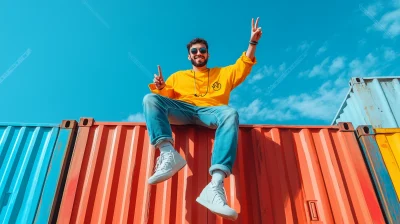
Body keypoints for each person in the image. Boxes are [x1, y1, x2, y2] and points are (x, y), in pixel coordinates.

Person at [143, 17, 262, 221]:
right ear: (189, 56)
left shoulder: (222, 74)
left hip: (210, 112)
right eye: (194, 51)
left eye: (202, 50)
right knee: (150, 98)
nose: (199, 53)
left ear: (208, 54)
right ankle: (168, 154)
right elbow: (164, 101)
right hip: (183, 110)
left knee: (230, 113)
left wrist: (252, 43)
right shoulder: (178, 76)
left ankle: (215, 186)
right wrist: (162, 87)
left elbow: (244, 65)